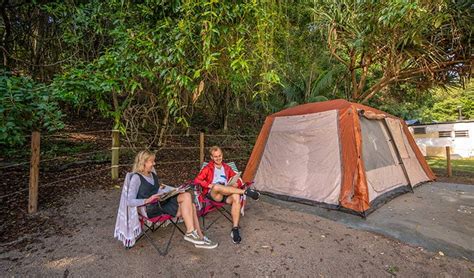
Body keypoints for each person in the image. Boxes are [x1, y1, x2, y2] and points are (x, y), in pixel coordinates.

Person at [127, 150, 218, 249]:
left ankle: (198, 236)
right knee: (188, 200)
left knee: (188, 198)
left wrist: (174, 190)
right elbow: (129, 201)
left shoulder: (152, 174)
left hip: (161, 202)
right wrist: (146, 200)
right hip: (150, 208)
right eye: (151, 161)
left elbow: (157, 189)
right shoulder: (136, 178)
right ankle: (192, 233)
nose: (154, 163)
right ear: (143, 162)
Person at [194, 146, 260, 244]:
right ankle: (246, 192)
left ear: (222, 155)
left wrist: (236, 183)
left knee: (236, 197)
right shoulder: (208, 168)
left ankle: (235, 229)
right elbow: (197, 180)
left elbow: (236, 178)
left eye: (220, 156)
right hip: (215, 195)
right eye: (215, 156)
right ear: (211, 157)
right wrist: (209, 185)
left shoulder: (226, 167)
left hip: (226, 193)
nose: (218, 158)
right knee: (216, 186)